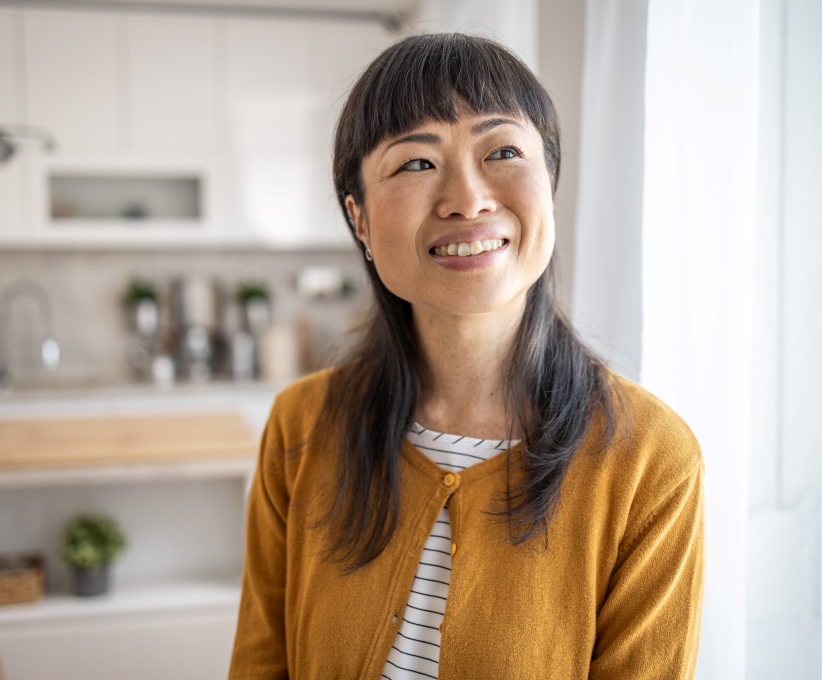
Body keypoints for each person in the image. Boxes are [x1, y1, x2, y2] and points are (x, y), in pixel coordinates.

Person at [228, 33, 704, 680]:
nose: (468, 198)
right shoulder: (300, 427)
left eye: (503, 151)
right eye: (416, 164)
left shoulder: (651, 459)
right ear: (359, 219)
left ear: (552, 184)